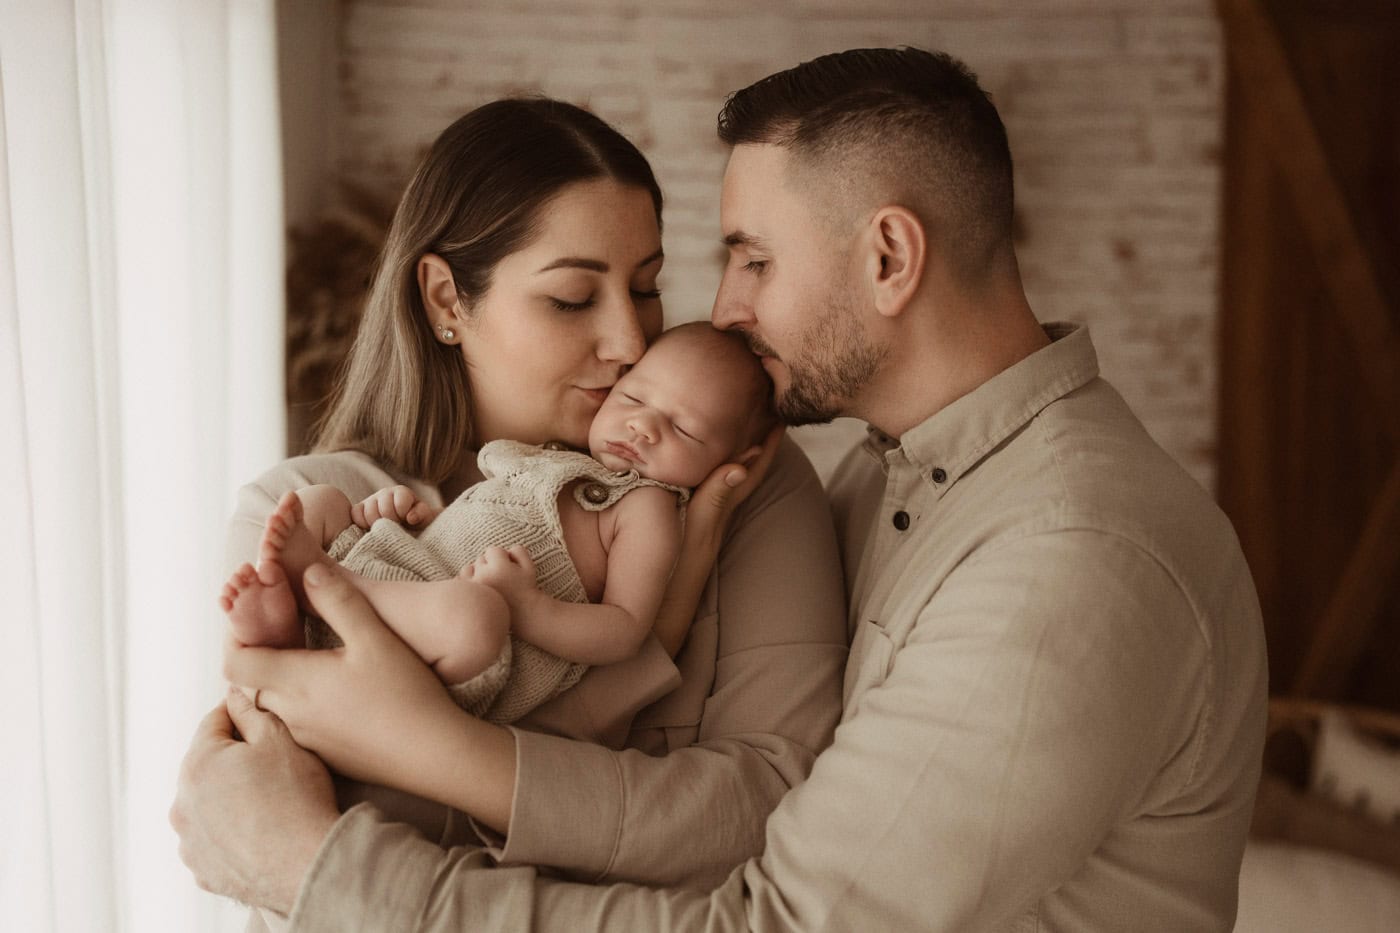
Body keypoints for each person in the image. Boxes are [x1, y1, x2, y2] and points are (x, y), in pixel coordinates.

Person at [173, 47, 1269, 931]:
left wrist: (346, 846)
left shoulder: (1064, 556)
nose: (712, 314)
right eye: (572, 298)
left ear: (888, 258)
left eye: (746, 259)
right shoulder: (877, 487)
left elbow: (772, 899)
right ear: (445, 301)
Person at [172, 95, 848, 927]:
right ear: (448, 301)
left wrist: (428, 746)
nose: (632, 343)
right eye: (572, 298)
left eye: (646, 288)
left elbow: (772, 808)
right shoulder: (302, 508)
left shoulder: (741, 486)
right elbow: (281, 825)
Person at [221, 322, 774, 731]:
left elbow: (625, 630)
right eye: (633, 397)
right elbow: (481, 519)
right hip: (412, 576)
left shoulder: (647, 508)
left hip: (469, 658)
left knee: (472, 611)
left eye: (683, 428)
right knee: (320, 501)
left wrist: (528, 608)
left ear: (727, 458)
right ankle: (293, 627)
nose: (643, 425)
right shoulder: (555, 456)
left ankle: (323, 585)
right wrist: (404, 518)